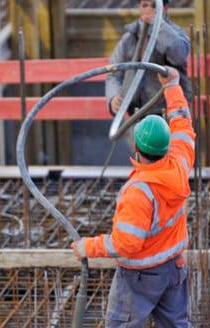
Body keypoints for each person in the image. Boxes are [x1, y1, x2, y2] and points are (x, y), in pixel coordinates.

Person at [72, 66, 195, 327]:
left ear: (137, 147)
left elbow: (126, 243)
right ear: (166, 145)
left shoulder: (139, 191)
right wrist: (172, 86)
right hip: (173, 267)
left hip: (140, 276)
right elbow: (183, 123)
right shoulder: (179, 164)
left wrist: (88, 247)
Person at [106, 0, 192, 118]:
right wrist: (113, 97)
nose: (148, 10)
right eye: (144, 5)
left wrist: (159, 26)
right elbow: (114, 73)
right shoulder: (130, 38)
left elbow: (179, 55)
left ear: (165, 9)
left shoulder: (176, 34)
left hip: (170, 113)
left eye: (154, 6)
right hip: (139, 114)